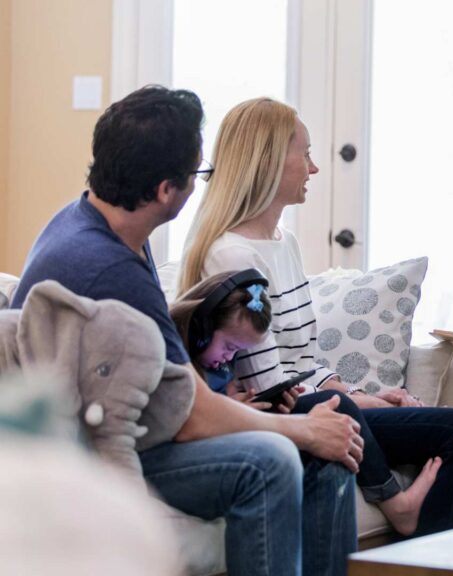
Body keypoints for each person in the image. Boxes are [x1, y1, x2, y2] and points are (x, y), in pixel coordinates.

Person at [12, 86, 362, 576]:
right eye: (197, 174)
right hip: (97, 449)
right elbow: (190, 417)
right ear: (163, 191)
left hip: (132, 423)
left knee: (322, 455)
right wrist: (302, 428)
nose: (203, 185)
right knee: (275, 459)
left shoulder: (98, 224)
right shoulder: (106, 267)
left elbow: (168, 370)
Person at [179, 97, 453, 536]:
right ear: (268, 161)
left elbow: (304, 361)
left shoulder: (284, 243)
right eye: (304, 154)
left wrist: (369, 394)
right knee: (341, 406)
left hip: (304, 397)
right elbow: (270, 385)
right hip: (270, 410)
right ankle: (396, 502)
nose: (314, 168)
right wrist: (358, 401)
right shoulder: (233, 254)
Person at [170, 269, 445, 535]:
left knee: (333, 439)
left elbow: (227, 400)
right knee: (336, 407)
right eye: (229, 347)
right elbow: (192, 420)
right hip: (202, 447)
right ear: (202, 326)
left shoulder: (221, 365)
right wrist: (235, 411)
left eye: (238, 352)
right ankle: (394, 502)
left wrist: (256, 402)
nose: (230, 358)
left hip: (237, 429)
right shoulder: (177, 356)